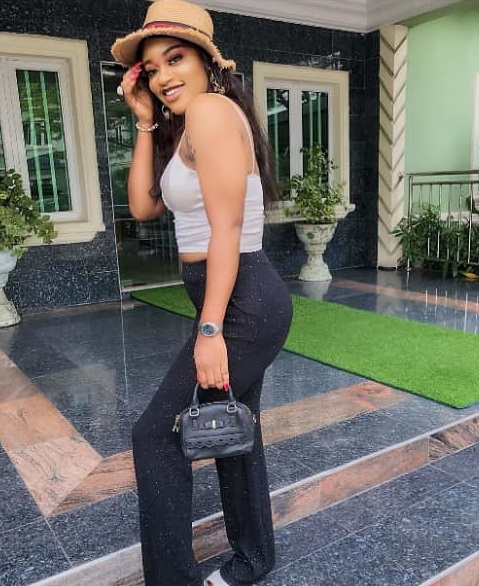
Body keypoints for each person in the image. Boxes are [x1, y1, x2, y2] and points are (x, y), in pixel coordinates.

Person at [111, 1, 293, 584]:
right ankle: (253, 560)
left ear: (208, 63)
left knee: (155, 436)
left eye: (175, 59)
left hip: (242, 302)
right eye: (152, 69)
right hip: (232, 297)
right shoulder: (189, 123)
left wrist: (210, 329)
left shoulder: (212, 111)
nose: (163, 76)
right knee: (236, 431)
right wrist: (144, 121)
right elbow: (143, 207)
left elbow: (228, 230)